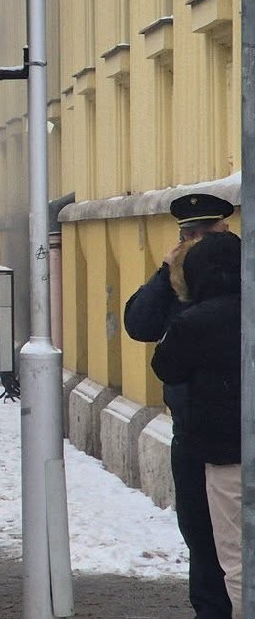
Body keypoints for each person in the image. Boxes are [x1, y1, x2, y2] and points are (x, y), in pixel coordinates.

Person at [126, 191, 239, 619]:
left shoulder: (237, 270)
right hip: (191, 429)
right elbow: (139, 324)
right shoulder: (177, 281)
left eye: (202, 233)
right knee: (200, 533)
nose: (194, 242)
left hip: (233, 432)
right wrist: (166, 271)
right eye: (187, 235)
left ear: (223, 230)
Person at [149, 231, 244, 619]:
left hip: (221, 453)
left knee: (233, 554)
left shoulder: (194, 321)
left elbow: (165, 365)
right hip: (227, 446)